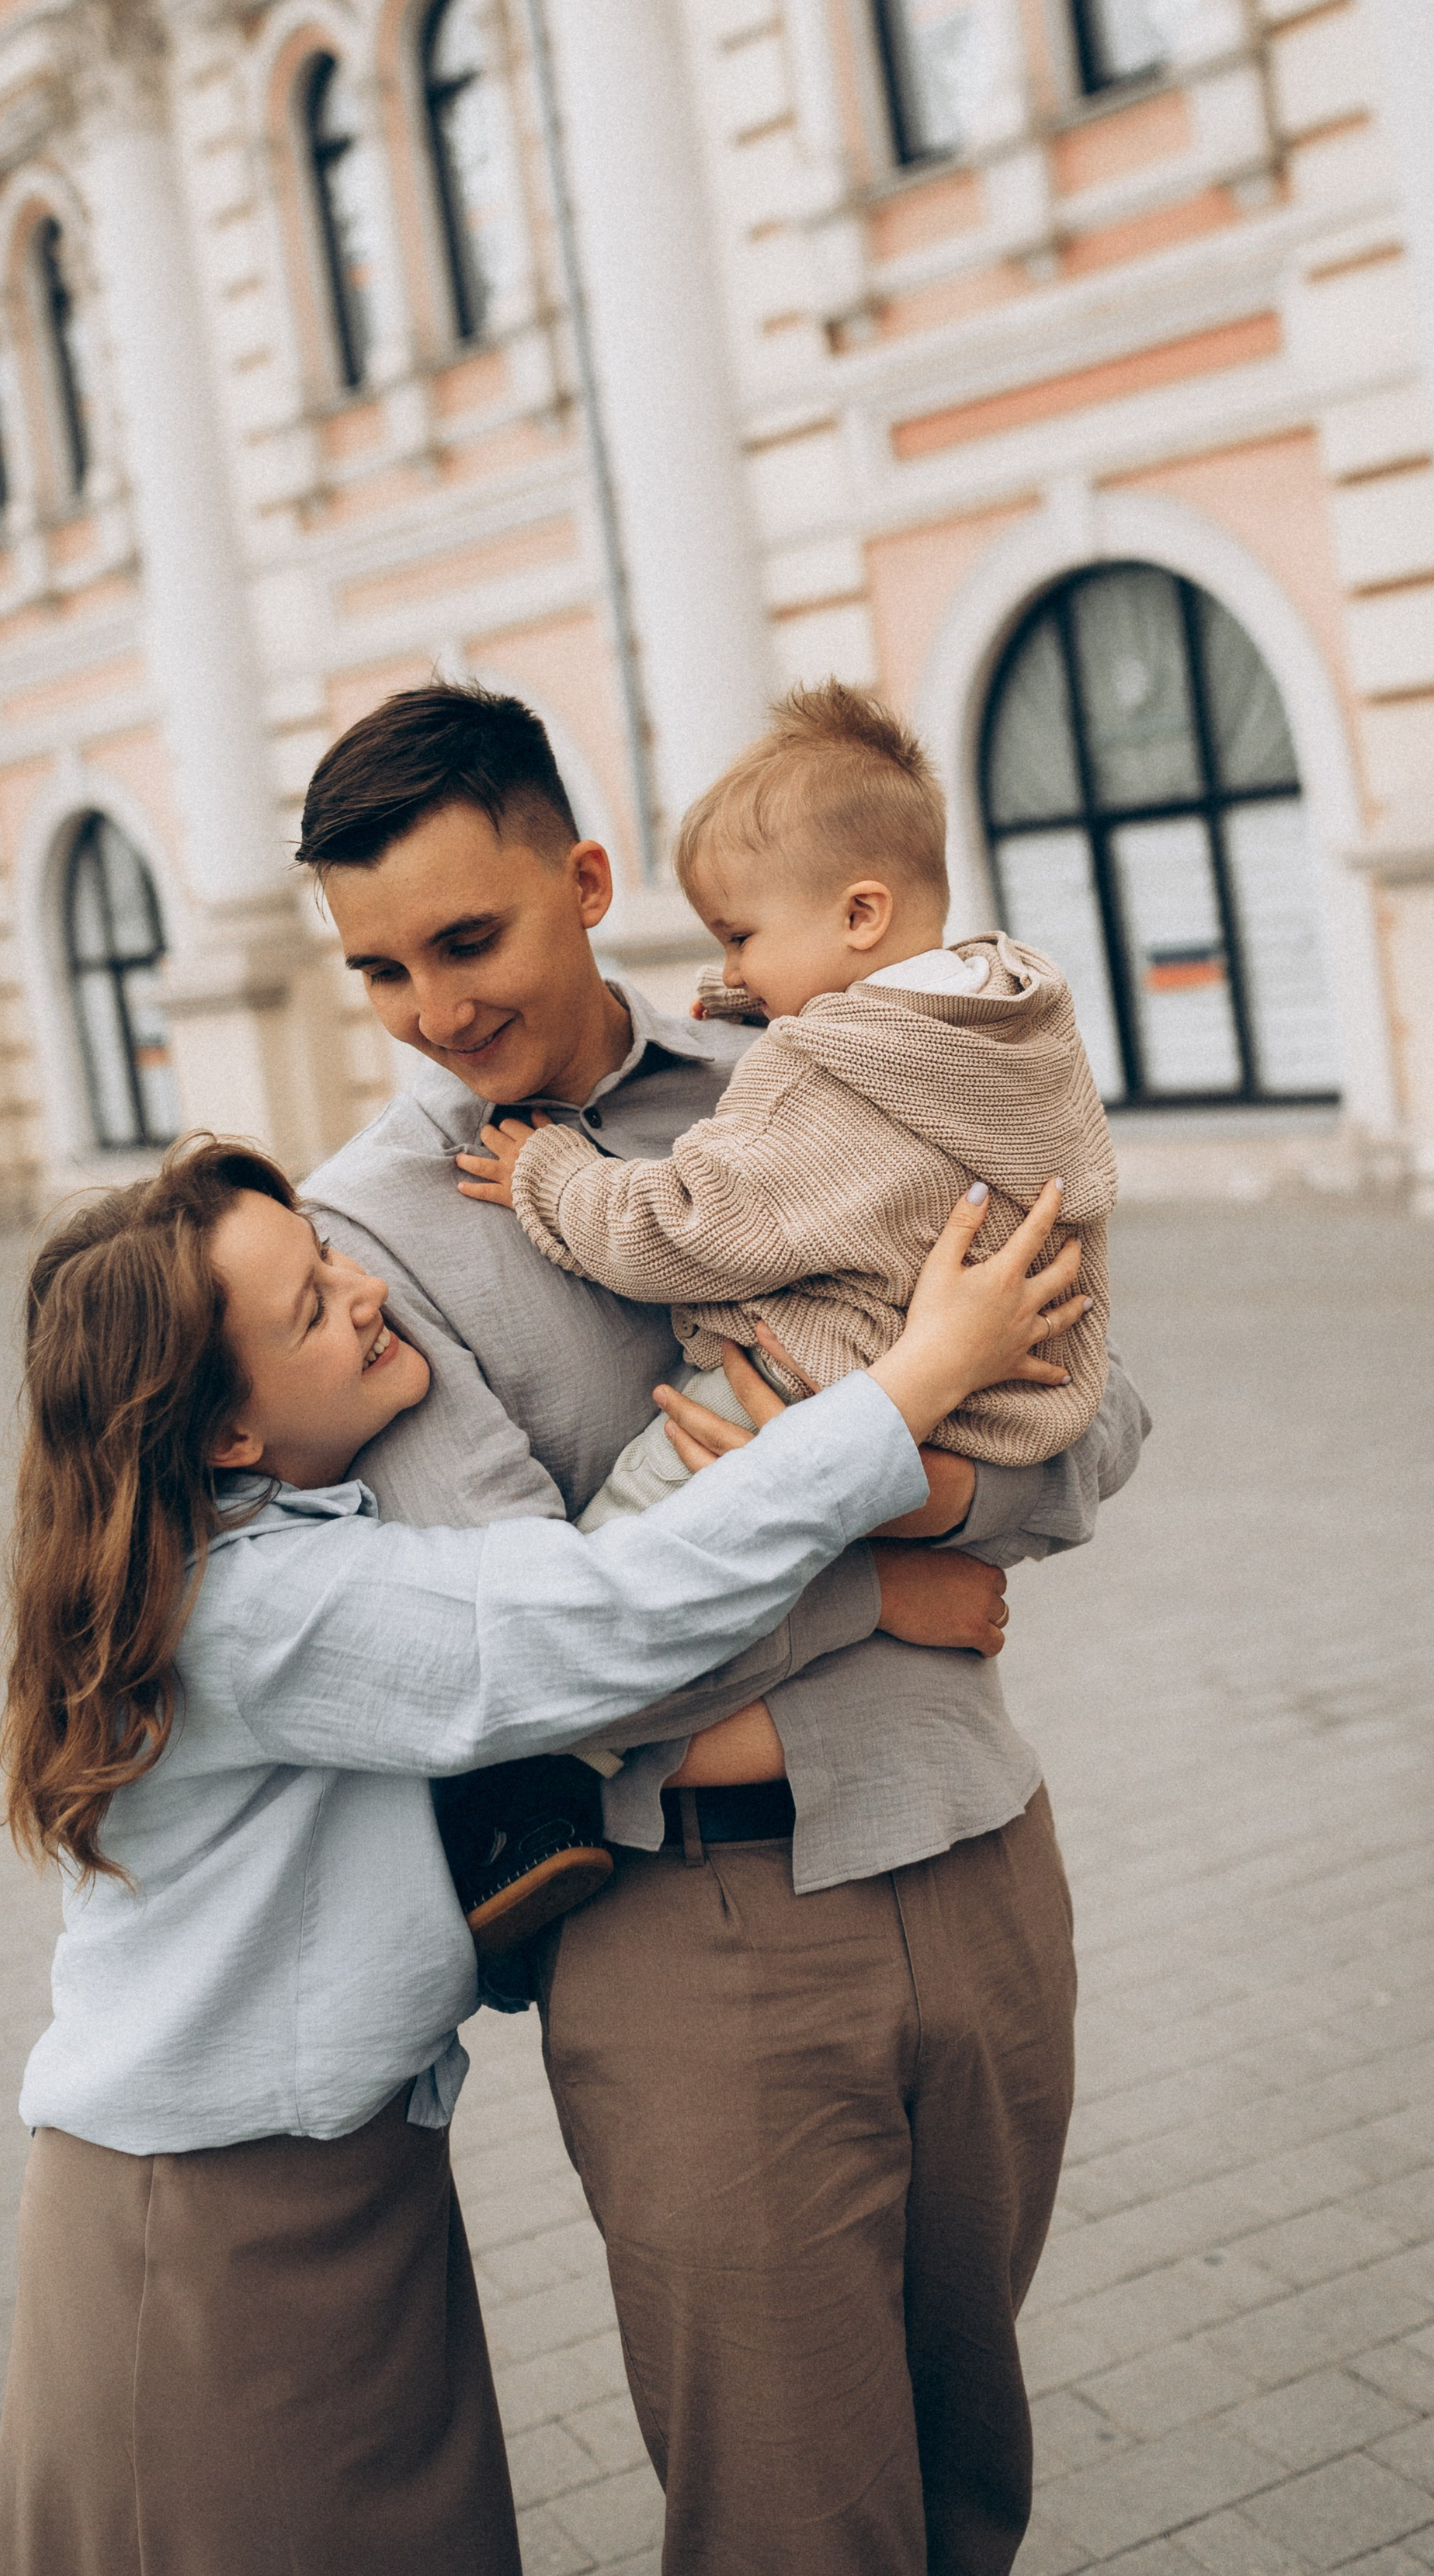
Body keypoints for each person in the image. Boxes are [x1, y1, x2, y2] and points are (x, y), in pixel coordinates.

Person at [297, 681, 1152, 2576]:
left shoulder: (829, 1061)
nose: (433, 1011)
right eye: (377, 969)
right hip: (688, 1932)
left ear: (588, 882)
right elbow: (524, 1651)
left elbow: (1095, 1420)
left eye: (467, 939)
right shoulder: (365, 1234)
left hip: (975, 1850)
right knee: (790, 2522)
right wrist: (891, 1576)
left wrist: (937, 1499)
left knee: (970, 2491)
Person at [0, 1134, 1083, 2576]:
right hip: (201, 2224)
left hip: (338, 2179)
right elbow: (593, 1622)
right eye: (311, 1307)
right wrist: (913, 1384)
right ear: (227, 1432)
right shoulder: (253, 1610)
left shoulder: (273, 1544)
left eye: (329, 1255)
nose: (367, 1290)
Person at [457, 678, 1116, 1522]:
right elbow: (873, 1030)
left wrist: (552, 1172)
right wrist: (752, 997)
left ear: (860, 915)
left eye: (739, 938)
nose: (732, 969)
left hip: (810, 1383)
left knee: (624, 1532)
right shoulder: (1009, 1017)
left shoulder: (812, 1078)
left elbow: (687, 1225)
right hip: (1016, 1408)